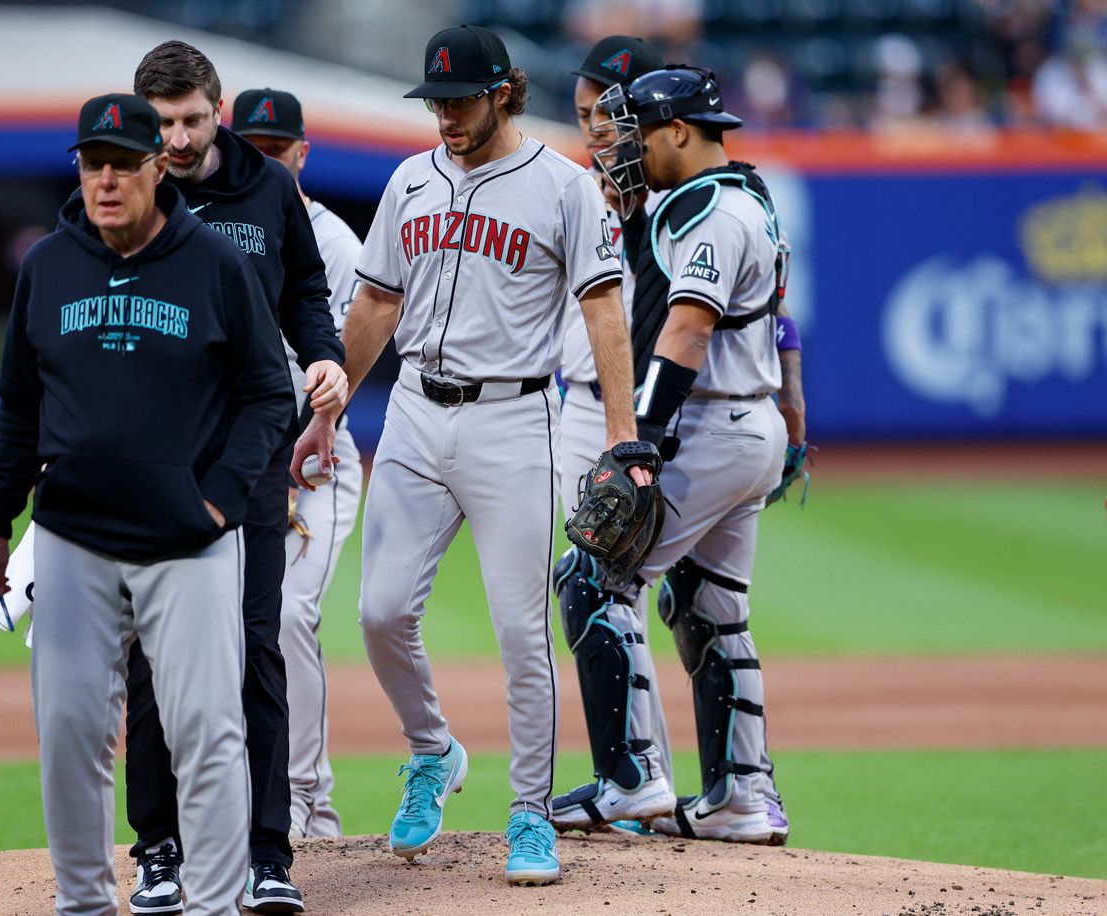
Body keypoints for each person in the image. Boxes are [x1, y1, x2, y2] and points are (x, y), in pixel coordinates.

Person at [293, 24, 649, 886]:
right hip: (415, 411)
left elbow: (604, 312)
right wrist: (329, 414)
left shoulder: (564, 187)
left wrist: (619, 434)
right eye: (436, 101)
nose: (445, 116)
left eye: (459, 100)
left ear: (502, 93)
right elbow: (376, 305)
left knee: (523, 633)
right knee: (379, 614)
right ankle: (433, 750)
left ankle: (530, 811)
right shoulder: (411, 179)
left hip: (512, 419)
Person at [0, 94, 294, 916]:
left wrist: (220, 499)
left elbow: (266, 396)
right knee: (71, 736)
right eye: (92, 163)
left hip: (189, 543)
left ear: (158, 166)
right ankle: (81, 902)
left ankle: (215, 904)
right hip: (74, 538)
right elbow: (21, 407)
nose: (105, 179)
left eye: (122, 163)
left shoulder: (215, 263)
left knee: (208, 735)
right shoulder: (49, 265)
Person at [550, 66, 799, 845]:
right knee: (709, 605)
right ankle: (742, 797)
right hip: (749, 423)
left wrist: (640, 443)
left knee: (591, 576)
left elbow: (686, 331)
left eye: (641, 133)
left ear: (680, 132)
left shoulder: (714, 216)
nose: (629, 146)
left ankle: (632, 778)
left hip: (712, 430)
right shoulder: (748, 196)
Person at [125, 43, 345, 915]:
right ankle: (159, 849)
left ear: (217, 108)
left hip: (253, 450)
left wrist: (324, 359)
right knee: (153, 658)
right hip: (153, 458)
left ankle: (267, 853)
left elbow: (306, 292)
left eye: (190, 119)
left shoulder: (268, 189)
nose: (176, 139)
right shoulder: (127, 192)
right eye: (163, 123)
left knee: (258, 647)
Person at [231, 86, 363, 840]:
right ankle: (235, 805)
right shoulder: (211, 227)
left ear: (302, 155)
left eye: (276, 150)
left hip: (315, 461)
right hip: (235, 461)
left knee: (284, 616)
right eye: (251, 148)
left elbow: (334, 364)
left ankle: (310, 802)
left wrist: (300, 439)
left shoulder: (336, 244)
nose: (264, 162)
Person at [558, 34, 677, 838]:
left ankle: (639, 779)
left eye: (604, 112)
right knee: (602, 595)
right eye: (583, 114)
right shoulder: (573, 190)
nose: (592, 128)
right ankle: (644, 778)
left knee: (603, 588)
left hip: (621, 415)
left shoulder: (672, 201)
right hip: (566, 406)